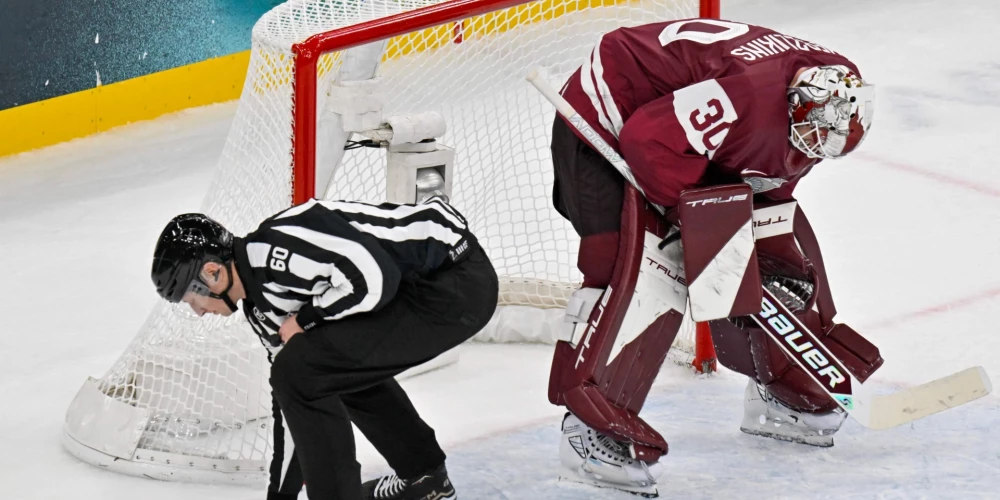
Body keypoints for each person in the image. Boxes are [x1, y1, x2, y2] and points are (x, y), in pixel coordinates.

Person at [547, 18, 883, 495]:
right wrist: (702, 224)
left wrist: (750, 248)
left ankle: (781, 383)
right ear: (795, 105)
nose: (811, 152)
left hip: (681, 129)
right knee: (627, 262)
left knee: (775, 247)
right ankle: (590, 428)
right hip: (611, 112)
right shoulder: (747, 96)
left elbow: (775, 164)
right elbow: (648, 141)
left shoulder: (831, 92)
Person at [149, 194, 499, 500]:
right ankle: (426, 481)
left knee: (307, 366)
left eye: (190, 298)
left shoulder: (275, 248)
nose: (197, 311)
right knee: (319, 369)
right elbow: (292, 407)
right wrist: (280, 496)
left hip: (455, 280)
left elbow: (376, 278)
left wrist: (306, 320)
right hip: (424, 289)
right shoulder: (261, 310)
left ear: (213, 273)